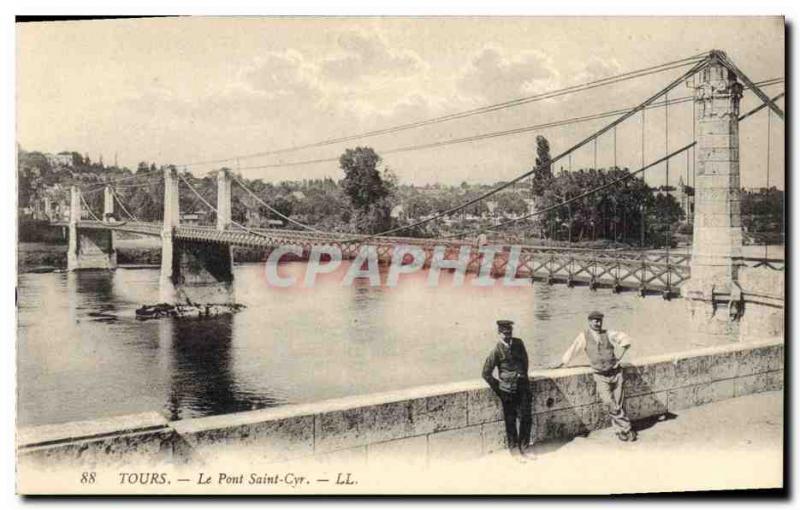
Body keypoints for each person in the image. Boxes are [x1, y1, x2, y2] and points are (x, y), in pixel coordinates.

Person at [552, 311, 637, 441]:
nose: (598, 323)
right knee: (609, 402)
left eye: (600, 320)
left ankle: (620, 431)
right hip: (600, 375)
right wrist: (562, 363)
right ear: (589, 321)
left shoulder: (608, 333)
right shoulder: (584, 336)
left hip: (616, 373)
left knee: (618, 403)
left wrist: (619, 356)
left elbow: (625, 339)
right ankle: (627, 427)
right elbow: (573, 350)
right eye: (595, 320)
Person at [482, 319, 533, 460]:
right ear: (499, 333)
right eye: (504, 333)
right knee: (510, 421)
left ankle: (525, 447)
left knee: (526, 417)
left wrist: (522, 376)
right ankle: (514, 450)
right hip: (507, 391)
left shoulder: (519, 343)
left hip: (522, 387)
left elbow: (525, 361)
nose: (508, 335)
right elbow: (486, 373)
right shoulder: (496, 351)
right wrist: (500, 388)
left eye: (509, 332)